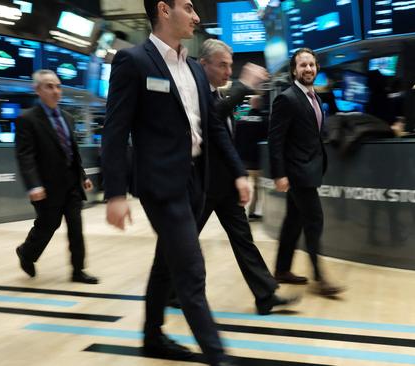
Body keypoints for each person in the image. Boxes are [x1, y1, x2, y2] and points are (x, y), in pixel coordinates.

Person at [101, 1, 248, 365]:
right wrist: (115, 193)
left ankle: (152, 337)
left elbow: (212, 127)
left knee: (166, 263)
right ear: (164, 10)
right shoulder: (133, 61)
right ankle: (218, 357)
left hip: (196, 182)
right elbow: (115, 132)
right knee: (191, 272)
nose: (197, 17)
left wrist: (240, 172)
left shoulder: (196, 71)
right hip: (160, 186)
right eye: (189, 7)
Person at [195, 39, 299, 315]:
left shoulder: (217, 94)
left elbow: (224, 140)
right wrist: (243, 85)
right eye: (222, 65)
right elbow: (210, 120)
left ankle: (265, 295)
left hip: (224, 185)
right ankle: (168, 292)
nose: (228, 71)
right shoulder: (196, 93)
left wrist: (238, 174)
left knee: (244, 240)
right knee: (182, 241)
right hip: (201, 185)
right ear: (203, 64)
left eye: (230, 65)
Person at [268, 48, 345, 296]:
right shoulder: (287, 98)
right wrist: (279, 174)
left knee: (294, 220)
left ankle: (281, 269)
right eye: (303, 65)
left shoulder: (316, 98)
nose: (308, 69)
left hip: (310, 169)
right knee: (314, 220)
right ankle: (320, 278)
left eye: (311, 65)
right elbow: (275, 140)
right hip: (297, 172)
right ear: (294, 70)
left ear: (317, 68)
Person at [14, 69, 98, 285]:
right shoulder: (27, 119)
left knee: (76, 228)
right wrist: (33, 185)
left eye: (58, 86)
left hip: (71, 185)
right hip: (47, 187)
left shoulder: (68, 117)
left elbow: (71, 150)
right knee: (47, 226)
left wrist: (82, 175)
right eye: (49, 86)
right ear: (37, 90)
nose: (55, 91)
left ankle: (78, 270)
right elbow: (25, 156)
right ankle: (26, 253)